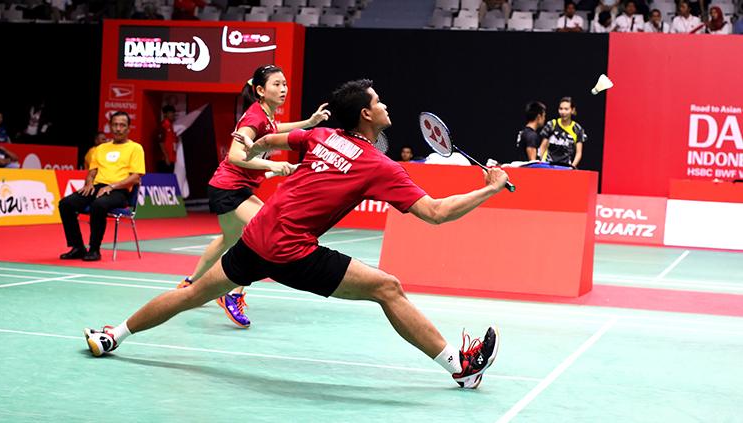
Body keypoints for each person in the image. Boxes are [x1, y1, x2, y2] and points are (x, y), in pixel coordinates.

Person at [83, 79, 506, 389]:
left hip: (256, 236)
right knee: (388, 288)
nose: (385, 105)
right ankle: (460, 367)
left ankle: (112, 335)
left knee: (192, 294)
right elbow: (434, 213)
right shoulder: (379, 165)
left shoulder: (320, 136)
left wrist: (249, 138)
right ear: (365, 114)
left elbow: (266, 139)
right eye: (379, 101)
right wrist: (488, 188)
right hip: (291, 250)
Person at [176, 64, 330, 328]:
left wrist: (308, 123)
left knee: (229, 238)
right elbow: (235, 156)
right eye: (276, 84)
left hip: (228, 186)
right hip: (229, 188)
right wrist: (272, 165)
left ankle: (190, 282)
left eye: (284, 84)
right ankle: (233, 293)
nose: (283, 89)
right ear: (260, 90)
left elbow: (275, 128)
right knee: (266, 232)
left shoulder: (264, 115)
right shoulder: (254, 117)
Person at [58, 112, 145, 262]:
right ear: (110, 126)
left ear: (128, 128)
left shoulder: (135, 148)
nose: (118, 128)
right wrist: (89, 183)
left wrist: (112, 186)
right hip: (98, 187)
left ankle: (94, 249)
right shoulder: (101, 148)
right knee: (66, 204)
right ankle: (78, 247)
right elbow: (92, 171)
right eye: (115, 125)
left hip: (120, 191)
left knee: (99, 205)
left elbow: (136, 177)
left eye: (122, 125)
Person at [540, 97, 587, 168]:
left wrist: (572, 167)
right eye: (561, 109)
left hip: (565, 167)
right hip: (548, 165)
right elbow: (543, 146)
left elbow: (579, 153)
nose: (563, 112)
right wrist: (541, 163)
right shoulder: (552, 124)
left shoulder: (577, 129)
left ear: (572, 110)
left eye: (566, 109)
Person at [157, 105, 178, 173]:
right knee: (163, 180)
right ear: (165, 114)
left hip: (171, 158)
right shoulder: (163, 126)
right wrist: (166, 157)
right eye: (170, 113)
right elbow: (160, 142)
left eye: (173, 113)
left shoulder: (171, 126)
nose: (172, 114)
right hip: (165, 159)